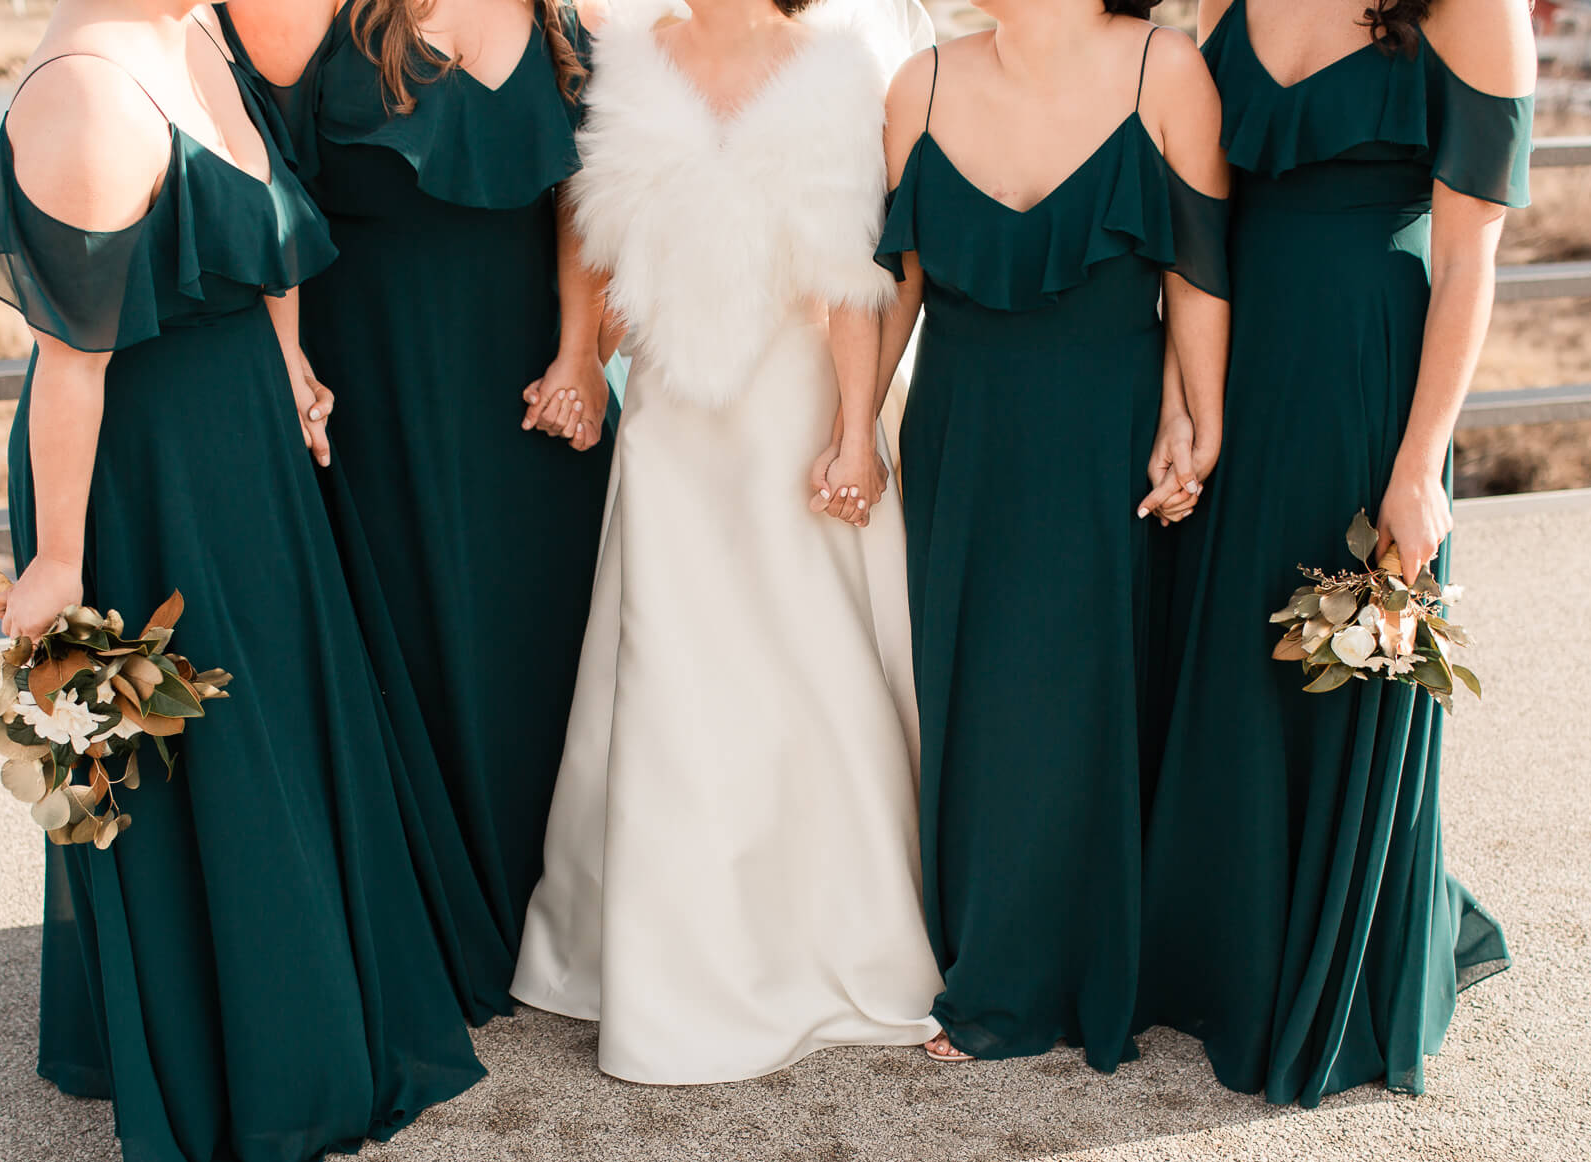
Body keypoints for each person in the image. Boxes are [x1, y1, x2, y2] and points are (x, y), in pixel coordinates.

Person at [0, 0, 484, 1162]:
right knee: (210, 756)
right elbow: (72, 365)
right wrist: (56, 562)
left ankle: (290, 1013)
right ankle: (238, 1066)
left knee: (278, 739)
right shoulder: (87, 89)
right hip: (148, 476)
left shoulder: (193, 34)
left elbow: (264, 234)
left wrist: (292, 366)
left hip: (245, 442)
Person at [510, 0, 946, 1084]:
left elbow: (858, 274)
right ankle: (663, 976)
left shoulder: (838, 70)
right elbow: (587, 224)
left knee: (809, 674)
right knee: (667, 676)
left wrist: (856, 430)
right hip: (668, 420)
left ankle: (823, 947)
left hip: (791, 417)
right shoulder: (628, 59)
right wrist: (576, 358)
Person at [1138, 0, 1534, 1107]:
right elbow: (1195, 217)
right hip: (1234, 363)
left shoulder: (1475, 8)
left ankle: (1330, 958)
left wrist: (1418, 464)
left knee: (1340, 666)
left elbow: (1466, 257)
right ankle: (1214, 945)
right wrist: (1181, 397)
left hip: (1369, 375)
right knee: (1221, 651)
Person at [218, 0, 615, 1020]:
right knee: (400, 642)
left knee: (533, 643)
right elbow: (271, 189)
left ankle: (543, 922)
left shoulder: (568, 25)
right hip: (372, 386)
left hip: (526, 389)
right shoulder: (331, 22)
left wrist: (581, 353)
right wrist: (289, 361)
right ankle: (428, 931)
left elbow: (585, 199)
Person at [874, 6, 1230, 1066]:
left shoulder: (1167, 69)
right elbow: (894, 280)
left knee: (1079, 688)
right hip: (960, 428)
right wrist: (849, 425)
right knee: (971, 690)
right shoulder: (918, 84)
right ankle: (988, 962)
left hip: (1105, 429)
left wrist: (1195, 419)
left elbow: (1198, 268)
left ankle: (1061, 973)